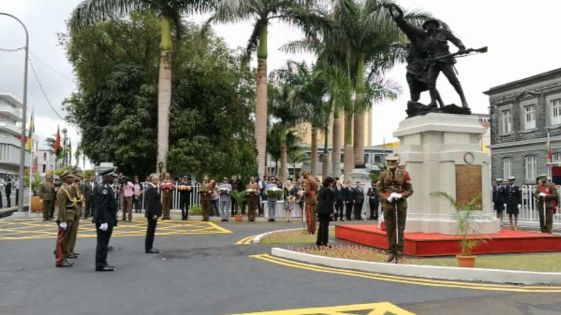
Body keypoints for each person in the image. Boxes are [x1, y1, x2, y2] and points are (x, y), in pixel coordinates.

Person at [378, 153, 413, 264]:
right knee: (390, 228)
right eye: (389, 164)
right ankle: (391, 252)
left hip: (400, 204)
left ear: (397, 163)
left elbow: (410, 189)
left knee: (400, 228)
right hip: (388, 204)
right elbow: (379, 189)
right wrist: (386, 197)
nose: (391, 166)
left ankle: (399, 253)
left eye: (393, 163)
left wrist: (401, 195)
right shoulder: (383, 174)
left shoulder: (404, 174)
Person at [94, 168, 118, 271]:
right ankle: (101, 264)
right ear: (106, 177)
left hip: (108, 217)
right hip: (105, 218)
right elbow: (102, 206)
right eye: (112, 177)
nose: (114, 178)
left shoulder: (106, 187)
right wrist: (103, 222)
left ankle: (103, 262)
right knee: (102, 243)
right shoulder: (103, 188)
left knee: (104, 242)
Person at [54, 171, 77, 268]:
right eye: (70, 177)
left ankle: (63, 257)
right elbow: (61, 206)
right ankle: (60, 260)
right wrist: (63, 221)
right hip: (66, 217)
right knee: (62, 240)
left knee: (66, 240)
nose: (72, 179)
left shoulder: (67, 188)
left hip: (70, 216)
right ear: (65, 179)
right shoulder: (63, 190)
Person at [67, 173, 84, 259]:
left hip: (77, 211)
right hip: (72, 212)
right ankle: (68, 251)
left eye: (79, 180)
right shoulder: (72, 187)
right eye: (77, 180)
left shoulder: (76, 187)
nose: (78, 182)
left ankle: (71, 250)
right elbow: (74, 199)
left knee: (73, 233)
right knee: (70, 233)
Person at [144, 173, 161, 254]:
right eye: (157, 179)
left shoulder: (152, 188)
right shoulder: (150, 189)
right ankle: (148, 248)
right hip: (152, 213)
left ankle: (150, 247)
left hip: (153, 213)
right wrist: (153, 214)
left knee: (151, 230)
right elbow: (150, 203)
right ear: (152, 180)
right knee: (150, 231)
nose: (158, 180)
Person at [316, 176, 336, 247]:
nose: (333, 184)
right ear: (329, 183)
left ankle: (319, 241)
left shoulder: (321, 189)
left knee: (321, 226)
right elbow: (329, 202)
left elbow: (318, 198)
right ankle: (325, 242)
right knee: (325, 226)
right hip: (326, 210)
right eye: (332, 183)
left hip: (320, 209)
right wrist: (331, 212)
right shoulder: (328, 190)